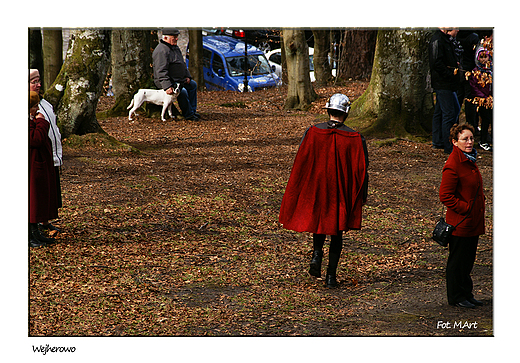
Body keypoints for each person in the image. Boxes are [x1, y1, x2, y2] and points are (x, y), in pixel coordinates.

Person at [279, 94, 369, 288]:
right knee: (336, 231)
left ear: (328, 110)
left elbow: (302, 160)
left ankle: (317, 254)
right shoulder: (355, 137)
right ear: (346, 113)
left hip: (318, 187)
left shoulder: (313, 131)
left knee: (320, 223)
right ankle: (330, 277)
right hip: (340, 191)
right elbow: (363, 168)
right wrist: (362, 195)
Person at [439, 124, 486, 308]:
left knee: (467, 261)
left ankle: (466, 293)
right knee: (457, 262)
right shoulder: (453, 164)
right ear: (454, 142)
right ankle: (456, 296)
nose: (469, 142)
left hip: (472, 221)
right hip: (460, 223)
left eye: (471, 138)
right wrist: (465, 208)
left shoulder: (469, 159)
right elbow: (445, 195)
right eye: (465, 139)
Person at [29, 69, 63, 233]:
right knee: (36, 195)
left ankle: (43, 221)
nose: (38, 85)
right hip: (36, 159)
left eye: (39, 81)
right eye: (33, 82)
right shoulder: (30, 106)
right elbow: (34, 136)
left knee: (47, 193)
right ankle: (34, 227)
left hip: (50, 155)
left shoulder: (45, 103)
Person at [152, 28, 199, 121]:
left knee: (193, 85)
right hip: (169, 82)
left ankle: (192, 111)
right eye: (174, 37)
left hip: (179, 79)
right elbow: (161, 71)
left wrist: (187, 75)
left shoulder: (175, 48)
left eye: (177, 37)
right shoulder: (161, 51)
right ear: (165, 37)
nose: (177, 39)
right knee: (183, 92)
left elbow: (182, 63)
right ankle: (188, 114)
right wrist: (167, 86)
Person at [429, 28, 462, 154]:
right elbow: (436, 62)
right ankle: (449, 146)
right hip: (443, 83)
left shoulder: (446, 40)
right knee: (450, 112)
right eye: (455, 28)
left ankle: (438, 141)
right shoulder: (437, 40)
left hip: (447, 82)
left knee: (441, 112)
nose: (457, 30)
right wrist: (450, 73)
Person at [468, 40, 493, 151]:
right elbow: (474, 87)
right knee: (485, 119)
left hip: (491, 99)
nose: (483, 59)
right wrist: (483, 97)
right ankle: (483, 140)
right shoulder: (476, 72)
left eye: (485, 57)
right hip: (482, 99)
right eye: (481, 57)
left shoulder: (491, 71)